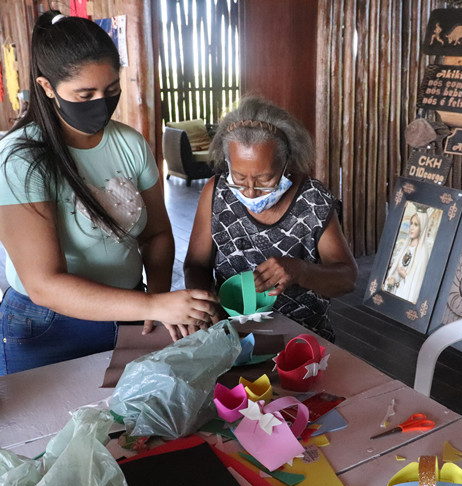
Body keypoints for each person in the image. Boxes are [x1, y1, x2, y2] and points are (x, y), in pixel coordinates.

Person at [0, 12, 217, 375]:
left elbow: (158, 233)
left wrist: (158, 300)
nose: (100, 103)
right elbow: (44, 284)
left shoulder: (129, 144)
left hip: (132, 312)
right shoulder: (20, 158)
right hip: (48, 326)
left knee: (129, 426)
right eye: (84, 94)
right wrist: (153, 307)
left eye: (111, 90)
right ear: (47, 87)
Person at [183, 95, 357, 342]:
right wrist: (205, 305)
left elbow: (347, 279)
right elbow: (195, 265)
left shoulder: (313, 200)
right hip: (231, 336)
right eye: (240, 178)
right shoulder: (216, 191)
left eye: (265, 179)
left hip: (301, 341)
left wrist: (301, 271)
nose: (251, 191)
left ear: (287, 164)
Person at [385, 211, 430, 303]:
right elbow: (398, 270)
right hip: (396, 292)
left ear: (422, 227)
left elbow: (418, 284)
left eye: (416, 225)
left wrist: (405, 276)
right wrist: (393, 279)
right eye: (411, 223)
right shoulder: (406, 247)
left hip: (406, 296)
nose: (412, 228)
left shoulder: (422, 253)